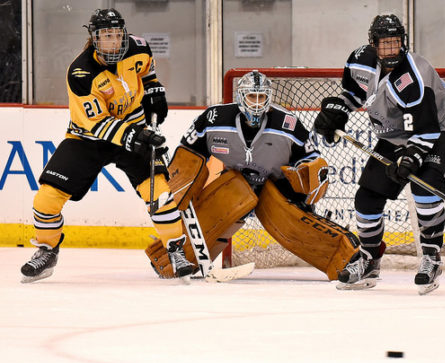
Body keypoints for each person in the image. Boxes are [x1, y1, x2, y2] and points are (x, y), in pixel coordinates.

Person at [20, 8, 195, 283]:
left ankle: (175, 250)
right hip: (87, 139)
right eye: (105, 36)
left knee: (160, 194)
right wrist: (137, 137)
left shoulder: (139, 48)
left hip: (134, 130)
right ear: (94, 39)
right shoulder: (81, 73)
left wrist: (153, 88)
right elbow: (98, 125)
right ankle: (46, 249)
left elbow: (147, 71)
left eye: (116, 34)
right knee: (46, 198)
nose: (113, 41)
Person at [145, 70, 359, 281]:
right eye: (252, 96)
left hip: (276, 186)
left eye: (262, 97)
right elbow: (188, 155)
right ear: (240, 97)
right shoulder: (214, 118)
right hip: (236, 183)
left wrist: (306, 174)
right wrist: (177, 197)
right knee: (225, 202)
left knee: (295, 226)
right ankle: (175, 257)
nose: (257, 103)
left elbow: (311, 156)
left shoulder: (288, 124)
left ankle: (349, 259)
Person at [314, 14, 445, 294]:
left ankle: (431, 257)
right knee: (366, 198)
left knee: (425, 189)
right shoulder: (360, 60)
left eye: (396, 43)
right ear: (373, 43)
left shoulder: (413, 77)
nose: (391, 50)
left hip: (439, 131)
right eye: (385, 44)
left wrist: (411, 158)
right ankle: (370, 260)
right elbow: (353, 92)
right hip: (394, 134)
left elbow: (427, 129)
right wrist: (339, 111)